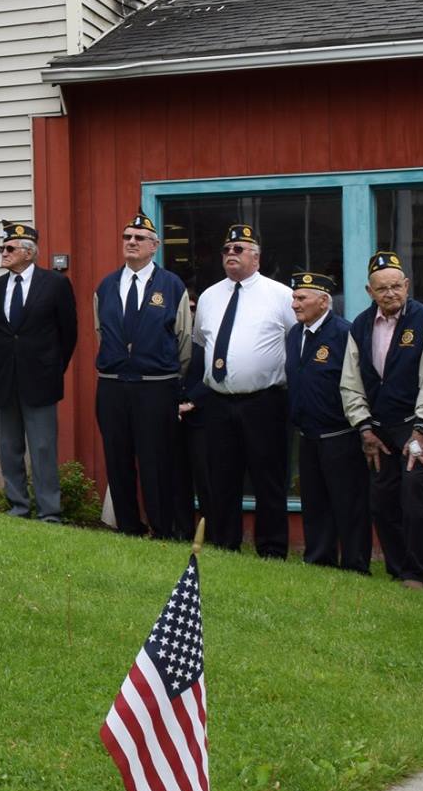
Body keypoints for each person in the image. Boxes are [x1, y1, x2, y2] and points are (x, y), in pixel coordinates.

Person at [341, 252, 423, 589]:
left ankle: (416, 573)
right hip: (377, 427)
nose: (390, 293)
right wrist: (363, 426)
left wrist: (422, 428)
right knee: (381, 498)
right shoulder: (360, 324)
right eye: (382, 288)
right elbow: (350, 381)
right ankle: (396, 567)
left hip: (416, 423)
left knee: (413, 491)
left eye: (396, 287)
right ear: (369, 290)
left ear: (407, 285)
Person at [185, 223, 296, 557]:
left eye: (239, 249)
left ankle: (272, 549)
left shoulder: (280, 295)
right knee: (222, 479)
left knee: (269, 480)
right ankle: (224, 543)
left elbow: (297, 344)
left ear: (256, 258)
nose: (230, 255)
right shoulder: (209, 296)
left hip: (265, 402)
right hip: (219, 403)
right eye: (226, 250)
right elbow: (202, 346)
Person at [92, 210, 193, 538]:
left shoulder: (172, 286)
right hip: (113, 387)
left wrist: (172, 381)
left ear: (155, 246)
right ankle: (128, 526)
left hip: (155, 387)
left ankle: (162, 530)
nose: (131, 243)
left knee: (155, 461)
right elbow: (101, 331)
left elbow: (184, 339)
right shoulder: (106, 286)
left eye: (139, 238)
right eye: (127, 238)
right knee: (118, 460)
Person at [0, 221, 79, 523]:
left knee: (43, 448)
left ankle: (49, 512)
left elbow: (69, 334)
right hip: (4, 380)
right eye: (2, 248)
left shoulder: (55, 284)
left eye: (9, 248)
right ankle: (17, 507)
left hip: (41, 381)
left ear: (28, 252)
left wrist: (51, 368)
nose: (3, 253)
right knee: (9, 449)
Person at [284, 271, 362, 571]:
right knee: (314, 502)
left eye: (302, 298)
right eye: (294, 297)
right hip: (307, 433)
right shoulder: (294, 334)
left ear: (324, 300)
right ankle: (319, 558)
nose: (294, 304)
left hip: (340, 433)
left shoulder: (344, 333)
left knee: (348, 503)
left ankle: (355, 563)